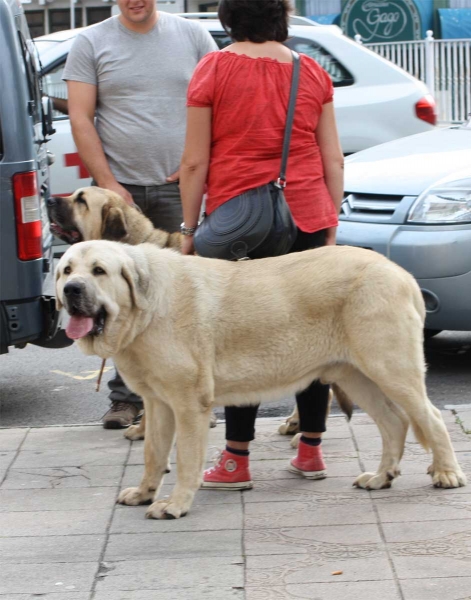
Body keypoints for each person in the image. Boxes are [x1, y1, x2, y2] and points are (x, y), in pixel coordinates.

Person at [179, 0, 344, 489]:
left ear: (229, 18)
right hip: (308, 215)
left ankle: (236, 461)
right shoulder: (311, 72)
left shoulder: (212, 68)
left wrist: (189, 232)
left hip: (242, 224)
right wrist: (330, 220)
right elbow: (332, 157)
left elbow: (193, 162)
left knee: (242, 336)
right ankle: (311, 450)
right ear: (283, 17)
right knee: (316, 333)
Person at [63, 0, 217, 429]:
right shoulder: (91, 42)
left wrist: (196, 163)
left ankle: (191, 395)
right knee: (113, 293)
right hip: (117, 200)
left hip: (179, 189)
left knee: (182, 298)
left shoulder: (193, 37)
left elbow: (217, 106)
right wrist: (108, 184)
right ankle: (127, 397)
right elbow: (80, 116)